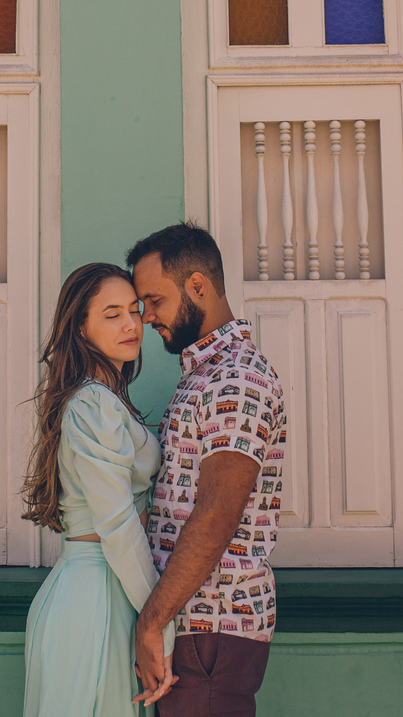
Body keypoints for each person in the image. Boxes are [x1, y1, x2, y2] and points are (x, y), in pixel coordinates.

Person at [126, 223, 286, 717]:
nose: (146, 316)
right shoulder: (206, 375)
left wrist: (151, 622)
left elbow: (218, 513)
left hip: (211, 628)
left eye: (154, 300)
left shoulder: (235, 379)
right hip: (196, 628)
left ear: (197, 286)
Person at [22, 262, 178, 717]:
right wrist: (159, 625)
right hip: (95, 601)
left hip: (103, 592)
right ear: (82, 328)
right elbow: (117, 524)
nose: (131, 323)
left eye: (134, 310)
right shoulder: (92, 403)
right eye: (112, 314)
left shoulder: (104, 399)